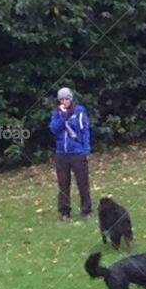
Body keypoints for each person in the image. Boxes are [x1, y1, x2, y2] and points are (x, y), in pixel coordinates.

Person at [49, 86, 92, 221]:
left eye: (66, 99)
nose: (64, 102)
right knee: (63, 183)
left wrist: (86, 150)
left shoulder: (80, 112)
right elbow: (54, 129)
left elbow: (85, 131)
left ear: (71, 99)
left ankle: (86, 210)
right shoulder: (57, 113)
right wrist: (62, 116)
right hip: (61, 153)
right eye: (61, 99)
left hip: (77, 152)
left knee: (82, 182)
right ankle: (64, 211)